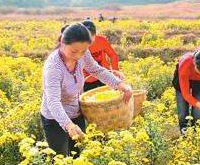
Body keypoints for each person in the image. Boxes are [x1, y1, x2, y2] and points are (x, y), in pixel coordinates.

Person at [41, 23, 132, 156]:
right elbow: (53, 101)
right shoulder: (54, 67)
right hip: (55, 118)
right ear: (62, 42)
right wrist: (68, 125)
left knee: (78, 155)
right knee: (59, 159)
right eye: (74, 51)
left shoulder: (83, 53)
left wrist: (120, 85)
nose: (78, 55)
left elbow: (97, 70)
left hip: (76, 113)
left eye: (83, 51)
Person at [81, 20, 125, 92]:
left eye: (91, 38)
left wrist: (115, 71)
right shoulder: (79, 45)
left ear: (95, 34)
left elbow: (113, 55)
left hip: (105, 77)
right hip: (88, 80)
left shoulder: (101, 40)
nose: (88, 42)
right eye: (85, 38)